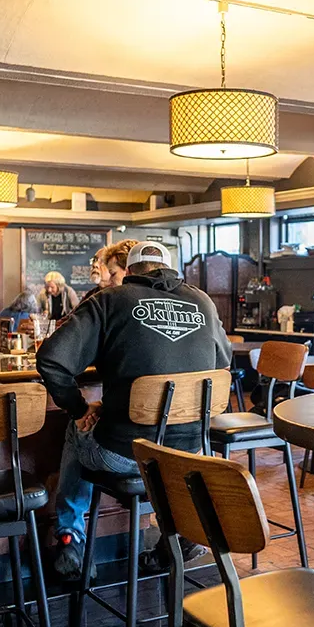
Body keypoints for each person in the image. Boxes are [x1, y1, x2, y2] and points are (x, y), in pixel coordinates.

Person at [35, 239, 231, 576]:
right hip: (190, 451)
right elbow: (223, 361)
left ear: (129, 271)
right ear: (168, 267)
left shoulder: (110, 301)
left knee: (77, 427)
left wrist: (80, 409)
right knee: (157, 455)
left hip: (124, 455)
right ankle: (181, 531)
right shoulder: (203, 302)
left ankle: (72, 540)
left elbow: (51, 359)